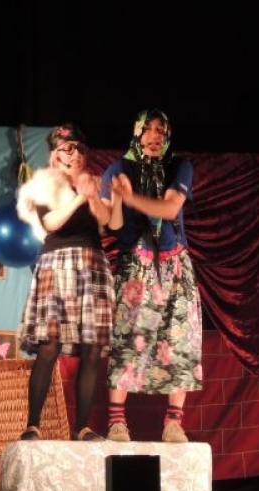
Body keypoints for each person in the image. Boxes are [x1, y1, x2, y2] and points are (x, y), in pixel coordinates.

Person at [101, 108, 202, 443]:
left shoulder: (179, 166)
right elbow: (114, 225)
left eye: (161, 129)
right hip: (136, 263)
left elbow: (170, 208)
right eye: (148, 129)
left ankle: (173, 423)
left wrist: (132, 197)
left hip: (174, 264)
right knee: (127, 338)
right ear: (137, 132)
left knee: (179, 338)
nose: (154, 135)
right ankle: (117, 422)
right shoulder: (118, 169)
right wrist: (119, 199)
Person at [15, 123, 114, 441]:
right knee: (50, 345)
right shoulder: (44, 185)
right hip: (58, 263)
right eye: (66, 150)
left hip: (92, 264)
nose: (73, 156)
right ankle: (33, 424)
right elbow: (51, 222)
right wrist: (78, 198)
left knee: (92, 348)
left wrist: (93, 196)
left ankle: (82, 427)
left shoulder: (95, 183)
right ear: (54, 154)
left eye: (79, 150)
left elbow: (107, 223)